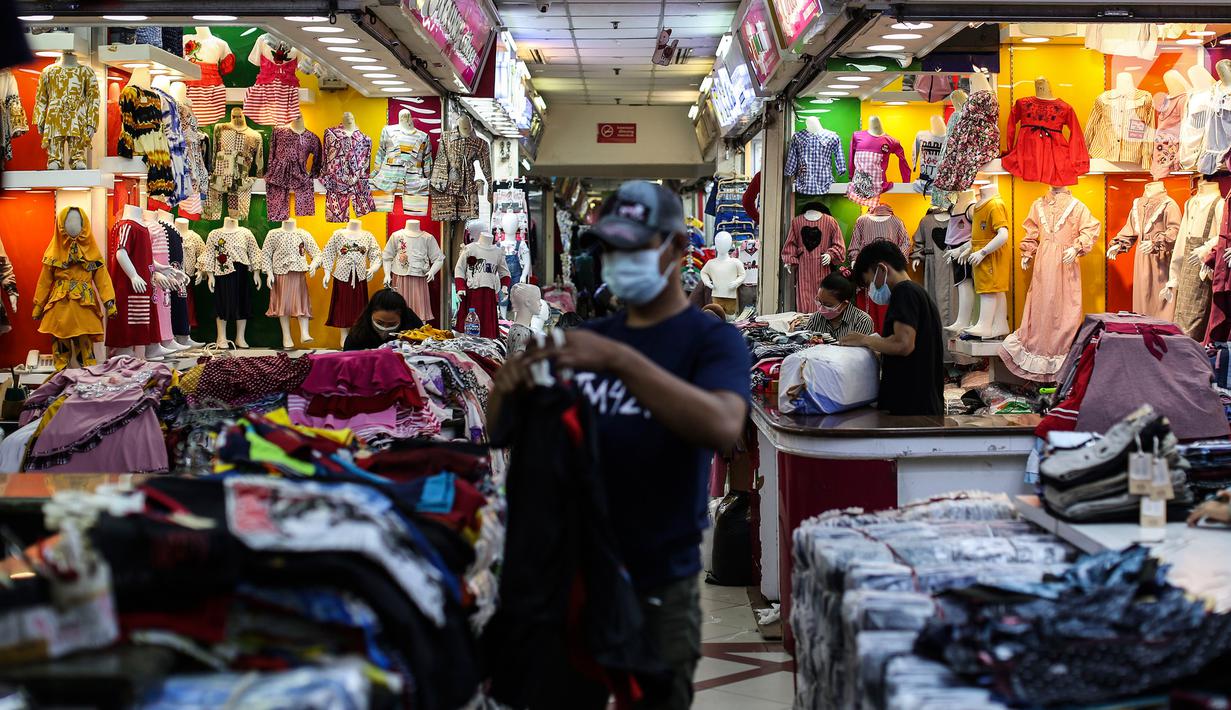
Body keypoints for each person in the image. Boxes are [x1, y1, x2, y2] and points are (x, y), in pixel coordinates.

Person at [489, 181, 751, 709]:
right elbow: (502, 431)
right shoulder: (588, 334)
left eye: (635, 248)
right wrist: (506, 389)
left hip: (659, 575)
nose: (619, 260)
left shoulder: (710, 339)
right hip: (571, 570)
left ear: (677, 249)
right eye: (612, 248)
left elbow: (723, 425)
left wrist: (620, 363)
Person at [841, 240, 944, 416]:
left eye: (869, 283)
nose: (872, 290)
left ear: (882, 269)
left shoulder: (904, 292)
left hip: (911, 409)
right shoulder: (918, 293)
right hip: (922, 405)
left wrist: (864, 340)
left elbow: (903, 344)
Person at [800, 271, 875, 342]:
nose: (821, 308)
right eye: (819, 302)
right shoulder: (815, 318)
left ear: (844, 304)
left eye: (828, 305)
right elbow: (806, 345)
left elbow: (860, 353)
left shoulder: (862, 321)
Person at [342, 288, 423, 351]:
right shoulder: (357, 336)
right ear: (370, 314)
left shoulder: (415, 330)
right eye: (379, 323)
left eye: (392, 324)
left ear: (402, 318)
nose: (385, 328)